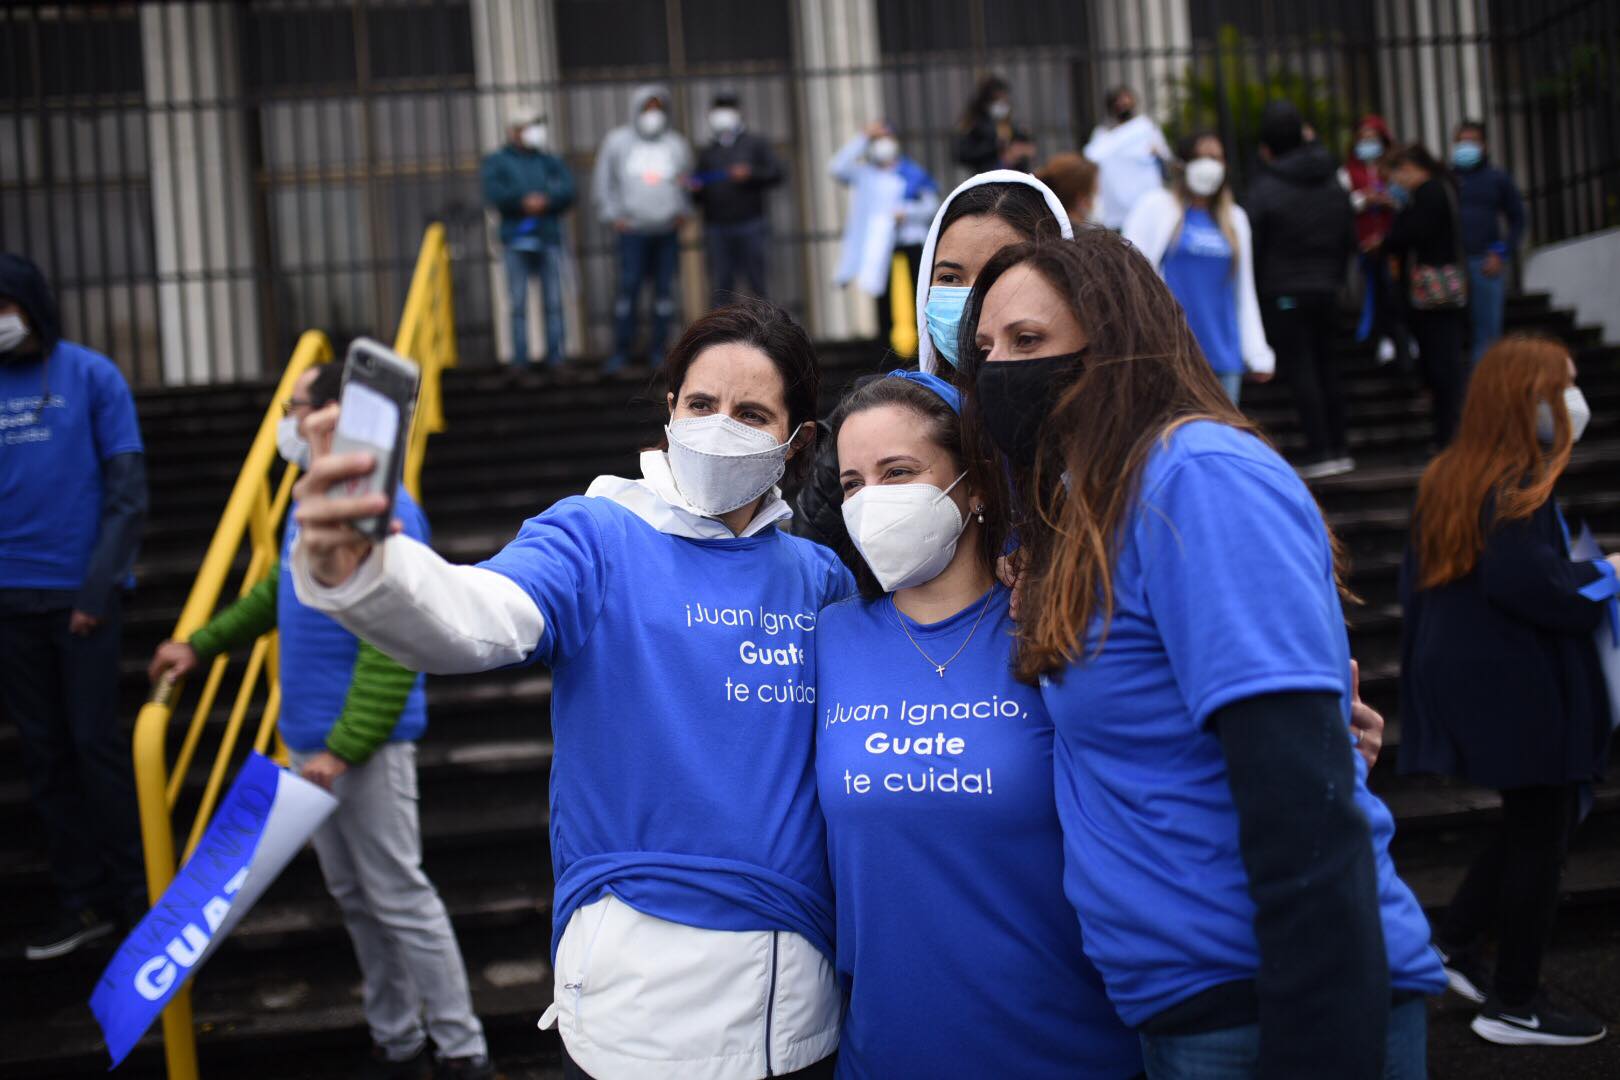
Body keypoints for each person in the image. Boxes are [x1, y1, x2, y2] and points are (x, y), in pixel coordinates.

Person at [288, 301, 850, 1080]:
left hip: (799, 1014)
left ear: (798, 442)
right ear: (670, 412)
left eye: (752, 414)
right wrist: (364, 567)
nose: (720, 426)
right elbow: (477, 615)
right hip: (633, 1011)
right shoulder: (595, 534)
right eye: (701, 404)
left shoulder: (819, 579)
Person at [957, 232, 1444, 1078]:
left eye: (1028, 342)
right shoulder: (1091, 511)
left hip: (1269, 1006)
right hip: (1185, 1006)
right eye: (986, 350)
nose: (999, 369)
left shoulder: (1195, 476)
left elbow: (1297, 791)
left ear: (1114, 340)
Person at [147, 363, 494, 1080]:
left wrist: (343, 746)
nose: (285, 421)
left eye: (294, 406)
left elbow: (396, 641)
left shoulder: (385, 504)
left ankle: (461, 1051)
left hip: (355, 749)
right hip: (314, 748)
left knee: (399, 895)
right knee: (356, 900)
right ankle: (397, 1040)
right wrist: (201, 645)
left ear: (333, 413)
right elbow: (277, 592)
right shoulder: (319, 504)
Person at [813, 369, 1142, 1078]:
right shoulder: (828, 639)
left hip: (1070, 1053)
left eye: (898, 472)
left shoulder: (1054, 626)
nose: (872, 501)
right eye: (851, 483)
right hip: (885, 1056)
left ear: (977, 484)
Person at [1400, 335, 1613, 1048]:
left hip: (1479, 679)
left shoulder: (1455, 472)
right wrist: (1607, 574)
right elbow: (1532, 588)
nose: (1575, 399)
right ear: (1527, 398)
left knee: (1531, 823)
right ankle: (1515, 1002)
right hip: (1525, 687)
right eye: (1565, 384)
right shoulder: (1517, 481)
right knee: (1543, 835)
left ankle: (1455, 943)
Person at [795, 171, 1072, 553]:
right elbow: (821, 573)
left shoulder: (1088, 434)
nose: (972, 298)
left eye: (998, 274)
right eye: (950, 277)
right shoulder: (869, 426)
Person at [0, 254, 149, 961]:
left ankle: (133, 895)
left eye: (5, 304)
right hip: (9, 600)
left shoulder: (92, 375)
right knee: (43, 754)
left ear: (31, 304)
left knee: (95, 746)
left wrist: (96, 591)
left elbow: (126, 491)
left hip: (78, 600)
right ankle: (79, 899)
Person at [1247, 101, 1357, 478]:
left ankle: (1321, 447)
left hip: (1285, 291)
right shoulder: (1331, 180)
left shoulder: (1265, 188)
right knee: (1329, 363)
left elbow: (1254, 245)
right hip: (1327, 286)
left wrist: (1259, 292)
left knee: (1302, 367)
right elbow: (1347, 233)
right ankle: (1340, 444)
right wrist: (1336, 275)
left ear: (1266, 147)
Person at [1123, 130, 1273, 405]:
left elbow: (1244, 291)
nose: (1210, 165)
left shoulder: (1235, 219)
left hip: (1224, 355)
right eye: (1201, 157)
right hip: (1173, 356)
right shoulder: (1156, 208)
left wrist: (1256, 351)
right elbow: (1132, 276)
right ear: (1183, 163)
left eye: (1216, 158)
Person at [593, 84, 692, 375]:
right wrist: (613, 215)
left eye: (657, 109)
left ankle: (659, 351)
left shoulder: (676, 144)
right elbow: (604, 181)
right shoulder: (617, 143)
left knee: (664, 294)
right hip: (632, 231)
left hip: (666, 231)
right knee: (628, 290)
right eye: (647, 109)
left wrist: (682, 211)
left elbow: (686, 182)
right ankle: (622, 350)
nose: (653, 115)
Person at [1378, 142, 1469, 448]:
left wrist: (1390, 233)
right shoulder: (1436, 191)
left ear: (1409, 168)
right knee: (1439, 364)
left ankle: (1449, 435)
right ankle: (1446, 431)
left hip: (1434, 295)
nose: (1396, 183)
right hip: (1431, 295)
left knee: (1443, 366)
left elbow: (1407, 236)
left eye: (1396, 174)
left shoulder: (1430, 194)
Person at [481, 106, 576, 374]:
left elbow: (568, 190)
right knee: (518, 303)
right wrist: (523, 201)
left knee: (554, 302)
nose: (534, 131)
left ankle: (556, 357)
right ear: (514, 131)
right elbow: (494, 193)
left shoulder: (549, 160)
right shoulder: (498, 161)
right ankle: (520, 362)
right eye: (528, 126)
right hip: (516, 241)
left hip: (548, 239)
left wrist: (546, 201)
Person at [831, 123, 940, 353]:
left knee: (918, 293)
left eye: (886, 137)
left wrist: (907, 212)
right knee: (883, 296)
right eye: (877, 139)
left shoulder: (913, 172)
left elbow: (931, 206)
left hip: (910, 241)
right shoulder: (866, 174)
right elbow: (837, 167)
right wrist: (862, 137)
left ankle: (921, 347)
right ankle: (886, 350)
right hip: (881, 246)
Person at [691, 91, 785, 307]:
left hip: (751, 223)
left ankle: (768, 331)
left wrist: (750, 173)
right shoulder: (708, 151)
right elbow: (697, 192)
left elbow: (777, 174)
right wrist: (693, 188)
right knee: (721, 285)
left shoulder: (755, 143)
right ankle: (723, 335)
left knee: (758, 282)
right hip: (717, 227)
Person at [1339, 115, 1410, 368]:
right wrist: (1363, 200)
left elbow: (1407, 198)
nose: (1368, 143)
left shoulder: (1393, 168)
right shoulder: (1348, 172)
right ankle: (1380, 336)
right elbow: (1340, 203)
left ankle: (1399, 339)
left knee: (1394, 291)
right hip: (1364, 245)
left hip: (1392, 244)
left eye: (1373, 138)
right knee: (1374, 291)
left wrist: (1390, 201)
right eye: (1363, 139)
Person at [1452, 121, 1526, 363]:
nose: (1467, 147)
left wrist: (1500, 252)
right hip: (1452, 265)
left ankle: (1484, 392)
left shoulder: (1497, 179)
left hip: (1483, 263)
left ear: (1484, 145)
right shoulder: (1447, 180)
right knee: (1452, 333)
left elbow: (1518, 219)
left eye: (1473, 141)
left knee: (1487, 333)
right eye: (1462, 141)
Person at [1082, 85, 1169, 230]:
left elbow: (1163, 156)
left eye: (1126, 100)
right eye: (1118, 101)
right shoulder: (1102, 135)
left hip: (1143, 203)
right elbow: (1092, 158)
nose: (1123, 104)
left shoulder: (1145, 128)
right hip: (1115, 209)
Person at [955, 74, 1036, 175]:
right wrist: (996, 147)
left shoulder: (1011, 123)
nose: (1002, 103)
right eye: (997, 99)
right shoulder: (973, 124)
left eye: (1004, 99)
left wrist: (1024, 149)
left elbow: (1024, 149)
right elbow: (962, 154)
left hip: (1016, 177)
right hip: (987, 177)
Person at [1035, 152, 1100, 231]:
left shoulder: (1045, 231)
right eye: (1094, 192)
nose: (1097, 196)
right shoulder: (1086, 239)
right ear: (1081, 199)